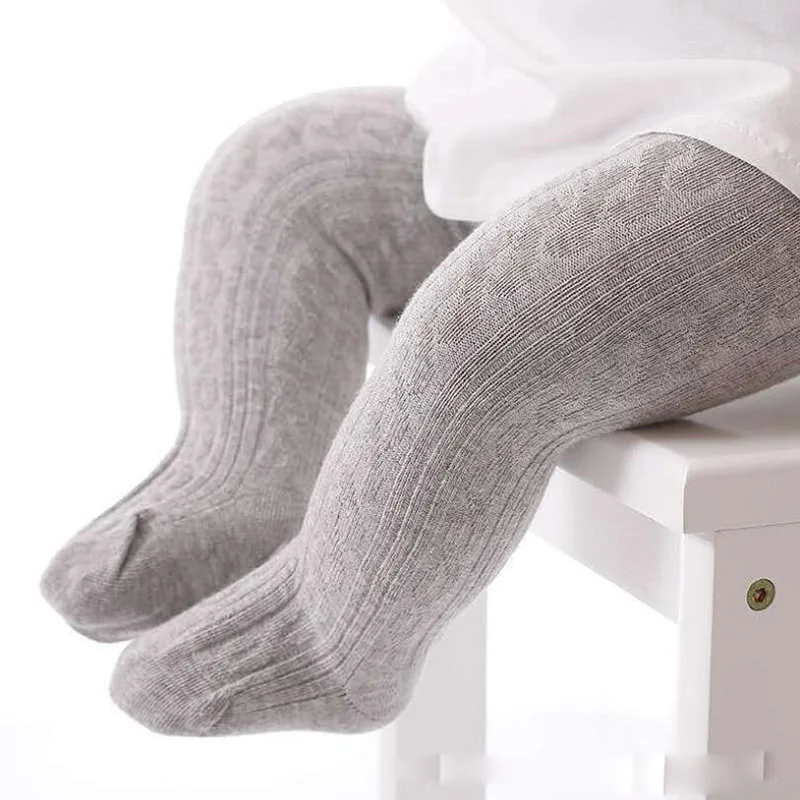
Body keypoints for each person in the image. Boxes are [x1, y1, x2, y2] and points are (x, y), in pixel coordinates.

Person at [41, 2, 800, 735]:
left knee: (497, 320)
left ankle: (335, 631)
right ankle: (238, 488)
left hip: (770, 131)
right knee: (281, 174)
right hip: (554, 95)